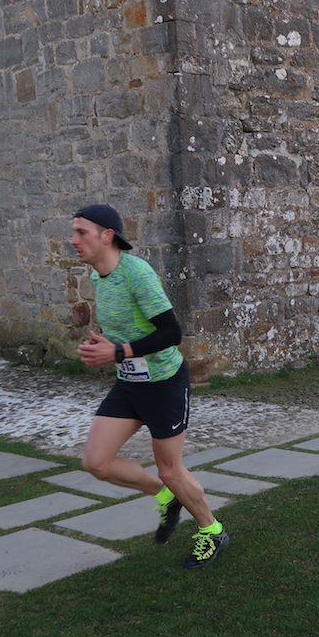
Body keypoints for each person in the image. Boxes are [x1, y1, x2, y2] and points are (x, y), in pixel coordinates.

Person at [69, 204, 228, 569]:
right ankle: (166, 497)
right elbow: (129, 328)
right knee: (96, 462)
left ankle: (212, 530)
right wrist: (107, 345)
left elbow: (172, 332)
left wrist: (118, 351)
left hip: (164, 384)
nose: (73, 240)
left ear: (107, 236)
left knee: (170, 469)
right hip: (130, 383)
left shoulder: (137, 274)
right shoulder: (98, 277)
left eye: (81, 232)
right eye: (74, 232)